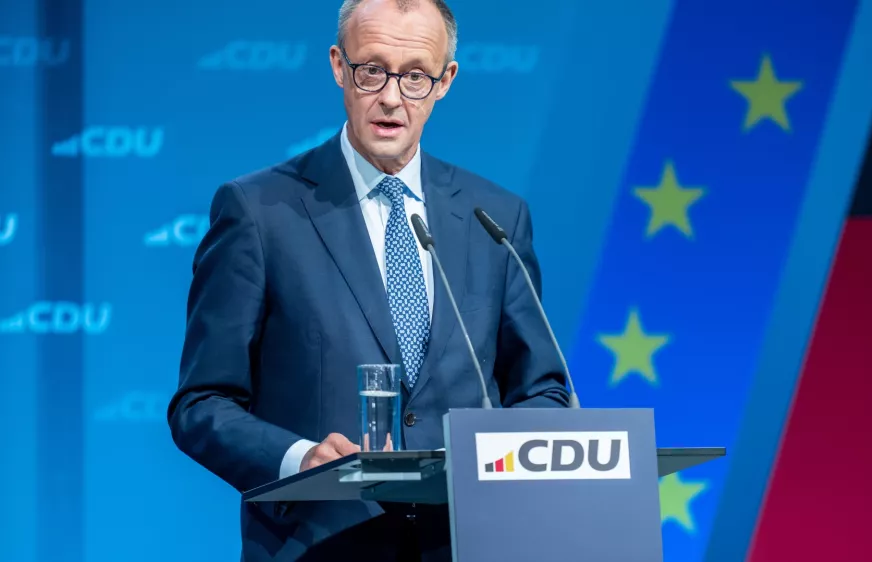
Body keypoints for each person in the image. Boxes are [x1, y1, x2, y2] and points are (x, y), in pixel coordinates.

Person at [166, 0, 570, 559]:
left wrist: (495, 455)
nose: (390, 97)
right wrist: (299, 458)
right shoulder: (259, 212)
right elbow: (201, 403)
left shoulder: (495, 218)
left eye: (415, 76)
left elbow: (544, 391)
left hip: (468, 543)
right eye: (371, 70)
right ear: (338, 66)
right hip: (323, 545)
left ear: (445, 81)